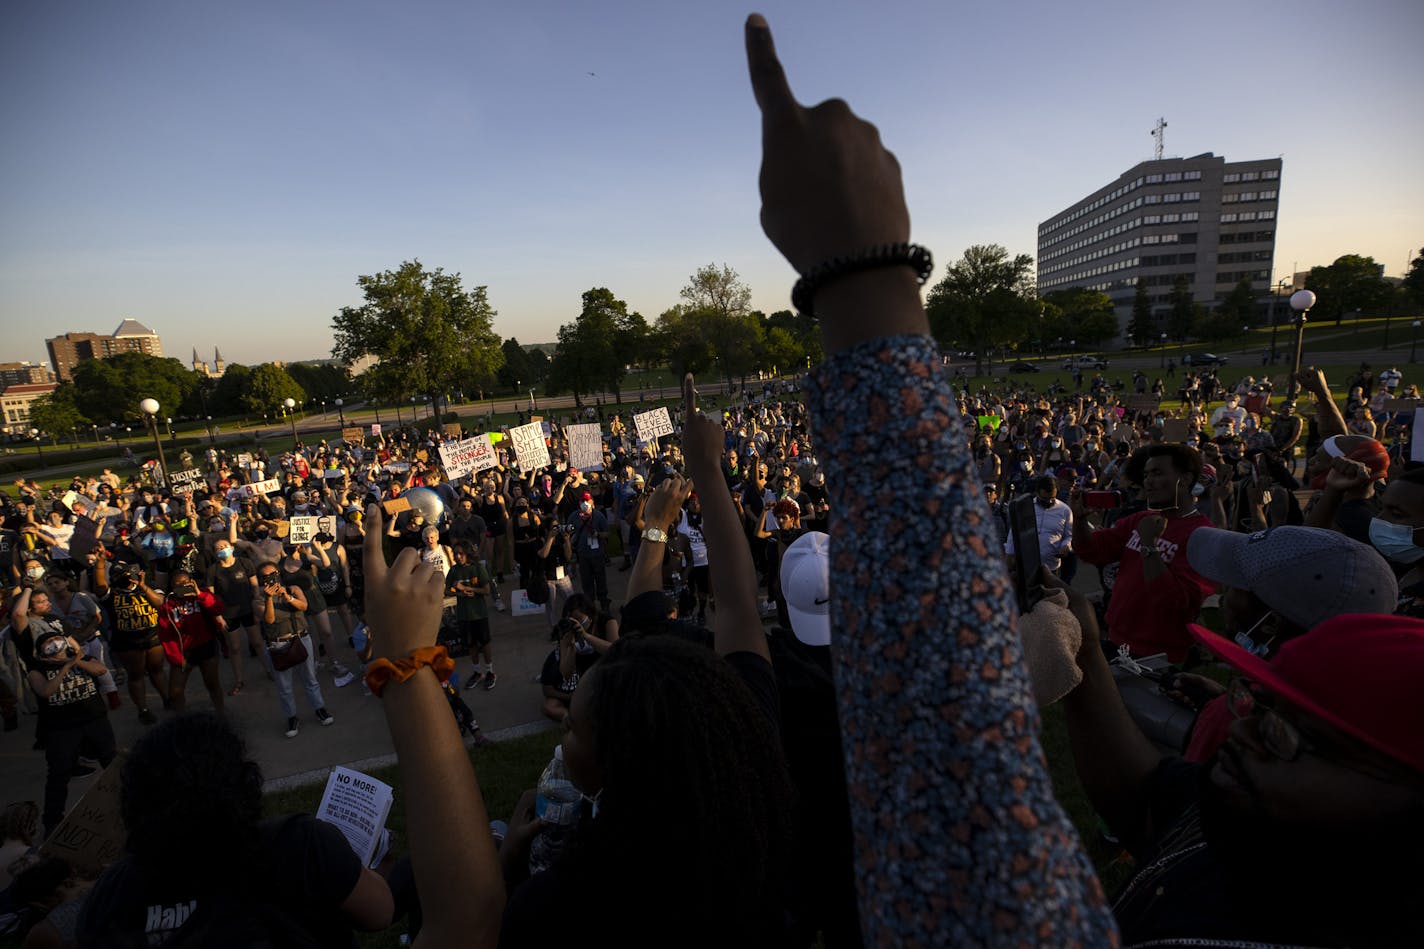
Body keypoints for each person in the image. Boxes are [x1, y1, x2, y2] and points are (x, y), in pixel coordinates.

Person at [75, 712, 393, 946]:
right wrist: (372, 864)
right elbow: (380, 913)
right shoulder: (299, 845)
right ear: (241, 783)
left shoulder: (111, 893)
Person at [1072, 444, 1216, 661]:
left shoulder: (1202, 536)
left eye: (1157, 473)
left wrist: (1149, 544)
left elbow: (1174, 601)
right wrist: (1080, 521)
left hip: (1159, 656)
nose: (1148, 481)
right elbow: (1091, 551)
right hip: (1117, 641)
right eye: (1146, 474)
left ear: (1185, 479)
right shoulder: (1141, 519)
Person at [25, 626, 116, 839]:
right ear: (40, 652)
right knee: (59, 773)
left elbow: (100, 671)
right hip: (61, 729)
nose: (55, 644)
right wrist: (65, 667)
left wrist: (75, 660)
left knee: (112, 763)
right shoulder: (36, 671)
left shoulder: (84, 658)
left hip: (94, 721)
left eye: (57, 639)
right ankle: (52, 822)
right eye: (48, 643)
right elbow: (46, 691)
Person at [253, 561, 332, 738]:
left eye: (274, 575)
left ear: (279, 574)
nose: (271, 580)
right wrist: (269, 599)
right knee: (284, 686)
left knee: (310, 679)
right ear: (261, 580)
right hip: (278, 645)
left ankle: (320, 709)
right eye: (266, 577)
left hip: (301, 638)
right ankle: (291, 717)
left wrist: (287, 596)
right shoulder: (258, 599)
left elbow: (304, 607)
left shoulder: (293, 589)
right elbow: (270, 620)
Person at [158, 569, 227, 714]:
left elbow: (219, 607)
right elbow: (165, 634)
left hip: (206, 646)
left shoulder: (201, 594)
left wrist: (200, 595)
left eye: (186, 582)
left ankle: (221, 713)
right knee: (175, 692)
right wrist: (176, 658)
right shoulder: (168, 604)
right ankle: (181, 720)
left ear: (192, 582)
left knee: (212, 683)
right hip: (183, 651)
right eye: (178, 584)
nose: (183, 586)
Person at [1004, 475, 1073, 576]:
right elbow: (1014, 532)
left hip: (1051, 567)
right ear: (1037, 493)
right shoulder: (1026, 508)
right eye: (1045, 499)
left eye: (1052, 498)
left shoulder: (1065, 511)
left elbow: (1068, 536)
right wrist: (1009, 554)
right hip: (1026, 566)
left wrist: (1065, 546)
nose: (1049, 502)